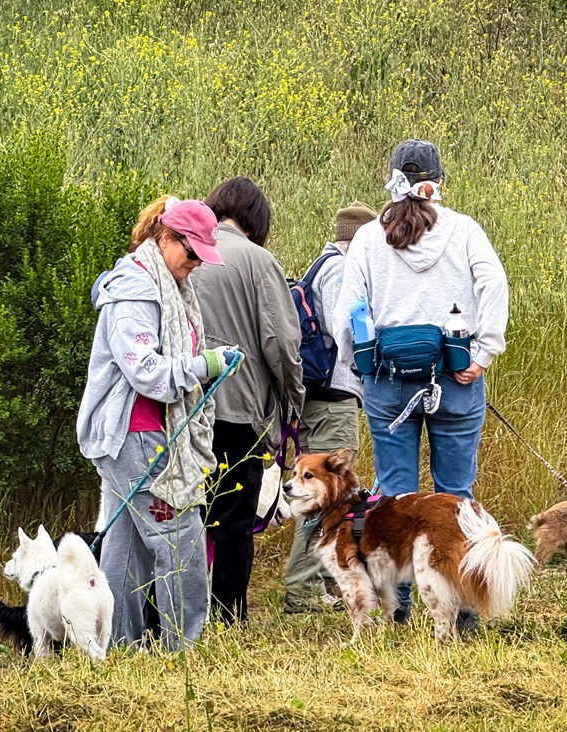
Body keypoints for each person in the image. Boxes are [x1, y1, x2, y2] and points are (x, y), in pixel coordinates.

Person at [333, 140, 508, 621]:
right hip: (455, 374)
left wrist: (356, 366)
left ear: (390, 180)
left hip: (389, 381)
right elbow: (494, 284)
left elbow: (347, 310)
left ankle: (400, 609)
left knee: (393, 497)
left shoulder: (369, 237)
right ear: (439, 182)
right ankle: (465, 605)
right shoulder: (464, 230)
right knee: (458, 493)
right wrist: (485, 351)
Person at [77, 195, 239, 650]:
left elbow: (170, 355)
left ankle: (116, 645)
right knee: (180, 537)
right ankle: (184, 650)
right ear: (166, 238)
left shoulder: (170, 287)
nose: (195, 265)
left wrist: (209, 358)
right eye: (191, 253)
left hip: (147, 431)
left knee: (124, 548)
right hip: (136, 433)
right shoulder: (136, 289)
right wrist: (204, 364)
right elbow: (146, 371)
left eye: (202, 258)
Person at [189, 177, 304, 625]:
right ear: (257, 220)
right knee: (233, 522)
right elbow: (281, 343)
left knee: (185, 515)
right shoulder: (260, 261)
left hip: (184, 408)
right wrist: (293, 404)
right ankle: (228, 618)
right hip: (239, 411)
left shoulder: (183, 253)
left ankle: (177, 618)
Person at [282, 201, 376, 614]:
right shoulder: (340, 270)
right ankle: (302, 589)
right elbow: (348, 334)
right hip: (333, 394)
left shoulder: (322, 265)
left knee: (329, 495)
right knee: (323, 496)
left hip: (320, 396)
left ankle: (322, 581)